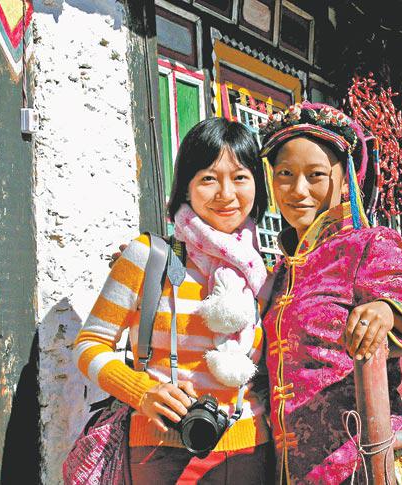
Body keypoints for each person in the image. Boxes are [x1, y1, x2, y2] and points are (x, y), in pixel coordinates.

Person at [258, 101, 402, 484]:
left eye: (315, 175)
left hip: (366, 468)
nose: (298, 189)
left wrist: (390, 313)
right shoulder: (278, 274)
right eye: (285, 174)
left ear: (345, 181)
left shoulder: (367, 247)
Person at [73, 117, 274, 483]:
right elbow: (89, 344)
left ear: (258, 187)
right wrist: (143, 392)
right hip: (160, 451)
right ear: (186, 188)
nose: (226, 193)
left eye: (240, 177)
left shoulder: (264, 275)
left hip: (250, 453)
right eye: (208, 178)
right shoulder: (149, 257)